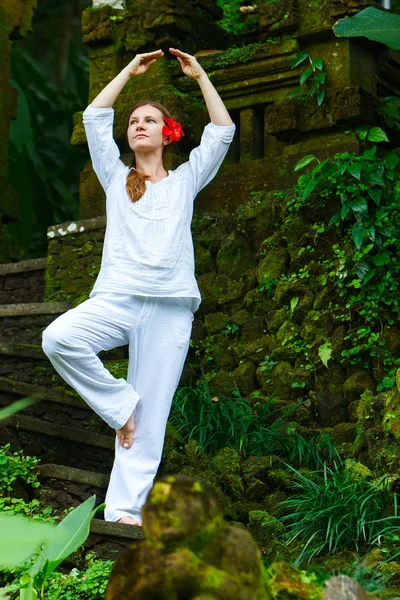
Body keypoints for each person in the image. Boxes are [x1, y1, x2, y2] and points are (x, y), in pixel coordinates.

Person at [41, 48, 236, 527]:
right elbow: (93, 116)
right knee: (58, 338)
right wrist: (129, 71)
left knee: (153, 418)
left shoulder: (186, 179)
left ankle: (125, 512)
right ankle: (121, 405)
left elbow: (223, 131)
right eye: (133, 121)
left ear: (167, 134)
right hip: (117, 299)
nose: (138, 125)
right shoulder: (115, 176)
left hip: (170, 309)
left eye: (149, 119)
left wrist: (200, 76)